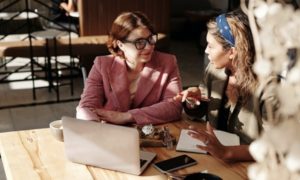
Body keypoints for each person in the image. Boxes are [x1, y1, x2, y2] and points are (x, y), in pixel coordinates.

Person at [174, 10, 276, 162]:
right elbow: (203, 110)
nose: (206, 51)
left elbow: (275, 148)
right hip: (215, 158)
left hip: (252, 167)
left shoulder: (270, 88)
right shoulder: (215, 70)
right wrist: (194, 103)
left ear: (232, 52)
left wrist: (226, 152)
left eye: (210, 46)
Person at [76, 11, 182, 125]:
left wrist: (127, 116)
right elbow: (87, 107)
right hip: (111, 132)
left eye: (151, 39)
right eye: (139, 42)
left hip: (152, 135)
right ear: (121, 45)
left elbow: (174, 106)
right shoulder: (102, 65)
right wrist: (94, 124)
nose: (149, 47)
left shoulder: (168, 62)